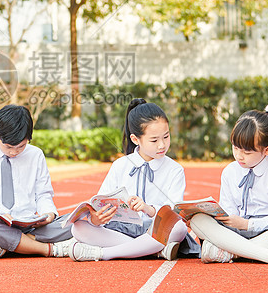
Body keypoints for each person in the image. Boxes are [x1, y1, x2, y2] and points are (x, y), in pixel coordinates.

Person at [187, 104, 268, 265]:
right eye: (235, 148)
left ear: (267, 150)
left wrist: (248, 224)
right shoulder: (230, 171)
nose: (239, 156)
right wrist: (222, 217)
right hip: (234, 233)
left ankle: (231, 254)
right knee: (197, 220)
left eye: (247, 152)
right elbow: (229, 209)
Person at [68, 98, 195, 262]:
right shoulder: (120, 166)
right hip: (122, 230)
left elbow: (174, 212)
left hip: (155, 230)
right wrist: (96, 218)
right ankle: (151, 250)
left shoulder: (174, 170)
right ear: (136, 139)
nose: (162, 145)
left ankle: (104, 254)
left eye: (166, 136)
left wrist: (148, 209)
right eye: (154, 140)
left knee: (178, 227)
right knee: (78, 228)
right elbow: (100, 201)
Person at [0, 104, 74, 259]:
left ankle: (5, 247)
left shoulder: (36, 155)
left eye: (21, 146)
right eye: (7, 147)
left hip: (31, 226)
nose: (13, 152)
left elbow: (43, 194)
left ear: (28, 138)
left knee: (76, 222)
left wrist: (48, 215)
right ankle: (48, 249)